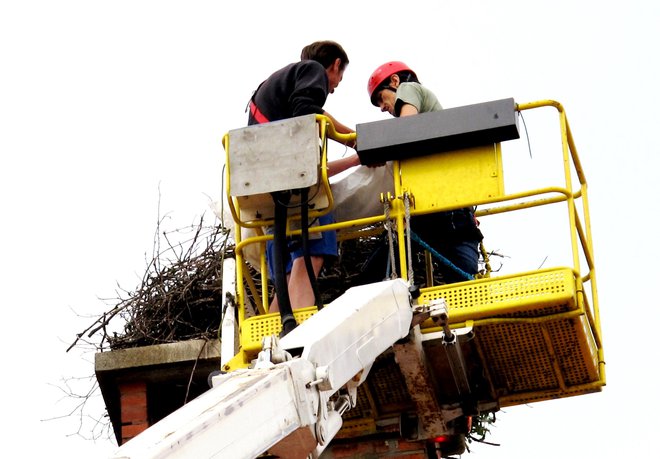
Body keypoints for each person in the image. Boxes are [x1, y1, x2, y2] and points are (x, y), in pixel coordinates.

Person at [248, 40, 361, 314]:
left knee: (285, 277)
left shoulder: (275, 88)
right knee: (310, 257)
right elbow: (307, 112)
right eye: (338, 79)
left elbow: (318, 115)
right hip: (298, 192)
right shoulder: (312, 71)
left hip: (271, 191)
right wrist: (358, 152)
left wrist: (354, 141)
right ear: (335, 65)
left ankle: (271, 340)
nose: (332, 88)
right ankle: (296, 335)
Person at [366, 61, 483, 284]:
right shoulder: (430, 119)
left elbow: (405, 129)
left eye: (381, 98)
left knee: (379, 269)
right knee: (462, 283)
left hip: (438, 210)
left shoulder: (409, 89)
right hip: (453, 210)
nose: (382, 107)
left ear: (394, 81)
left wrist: (375, 151)